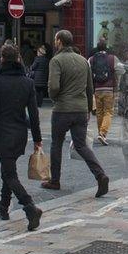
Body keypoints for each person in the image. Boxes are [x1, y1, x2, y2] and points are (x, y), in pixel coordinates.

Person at [0, 44, 43, 231]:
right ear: (18, 60)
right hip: (20, 134)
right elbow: (34, 114)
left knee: (9, 174)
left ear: (1, 60)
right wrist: (37, 138)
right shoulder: (27, 82)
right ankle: (3, 208)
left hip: (3, 133)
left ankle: (30, 207)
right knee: (8, 171)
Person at [42, 30, 109, 197]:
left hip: (62, 109)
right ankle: (100, 175)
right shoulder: (83, 61)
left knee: (56, 143)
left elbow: (54, 87)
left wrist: (54, 98)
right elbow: (89, 88)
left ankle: (55, 180)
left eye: (56, 39)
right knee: (81, 145)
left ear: (59, 42)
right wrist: (87, 109)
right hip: (80, 110)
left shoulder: (56, 60)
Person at [88, 39, 124, 146]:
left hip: (97, 90)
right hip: (109, 89)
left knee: (99, 112)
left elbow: (88, 73)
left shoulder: (91, 59)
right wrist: (116, 80)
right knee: (108, 112)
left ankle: (101, 133)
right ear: (106, 47)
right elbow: (121, 71)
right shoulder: (113, 58)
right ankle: (103, 134)